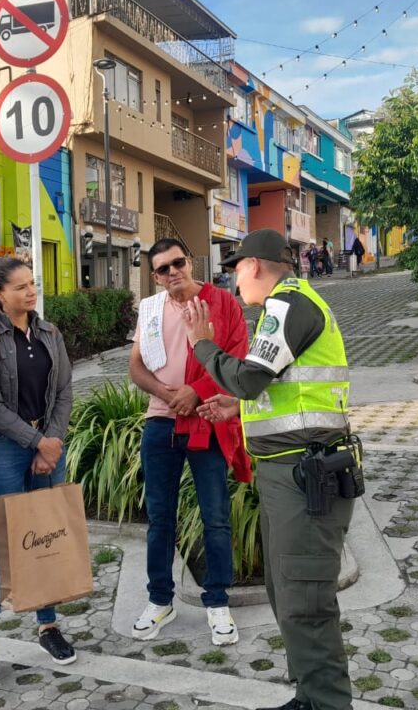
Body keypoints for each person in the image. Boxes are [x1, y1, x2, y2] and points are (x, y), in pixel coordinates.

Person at [182, 228, 354, 710]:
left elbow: (249, 376)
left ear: (255, 265)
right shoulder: (284, 307)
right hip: (292, 473)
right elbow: (277, 392)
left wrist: (203, 345)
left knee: (305, 604)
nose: (235, 281)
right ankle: (309, 696)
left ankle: (326, 703)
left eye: (236, 268)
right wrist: (233, 408)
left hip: (306, 478)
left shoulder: (286, 304)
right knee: (287, 595)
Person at [128, 238, 251, 645]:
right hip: (161, 423)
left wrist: (195, 392)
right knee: (160, 518)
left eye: (177, 262)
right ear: (155, 276)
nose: (172, 272)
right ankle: (159, 600)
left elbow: (236, 357)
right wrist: (168, 395)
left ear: (190, 261)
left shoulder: (223, 303)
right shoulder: (149, 309)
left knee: (214, 515)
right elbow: (136, 367)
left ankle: (217, 603)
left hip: (206, 420)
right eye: (162, 269)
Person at [0, 257, 76, 690]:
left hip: (47, 446)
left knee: (46, 542)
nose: (31, 293)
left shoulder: (49, 332)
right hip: (4, 452)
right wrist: (35, 445)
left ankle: (48, 627)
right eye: (21, 287)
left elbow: (64, 389)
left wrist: (51, 441)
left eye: (33, 285)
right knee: (0, 552)